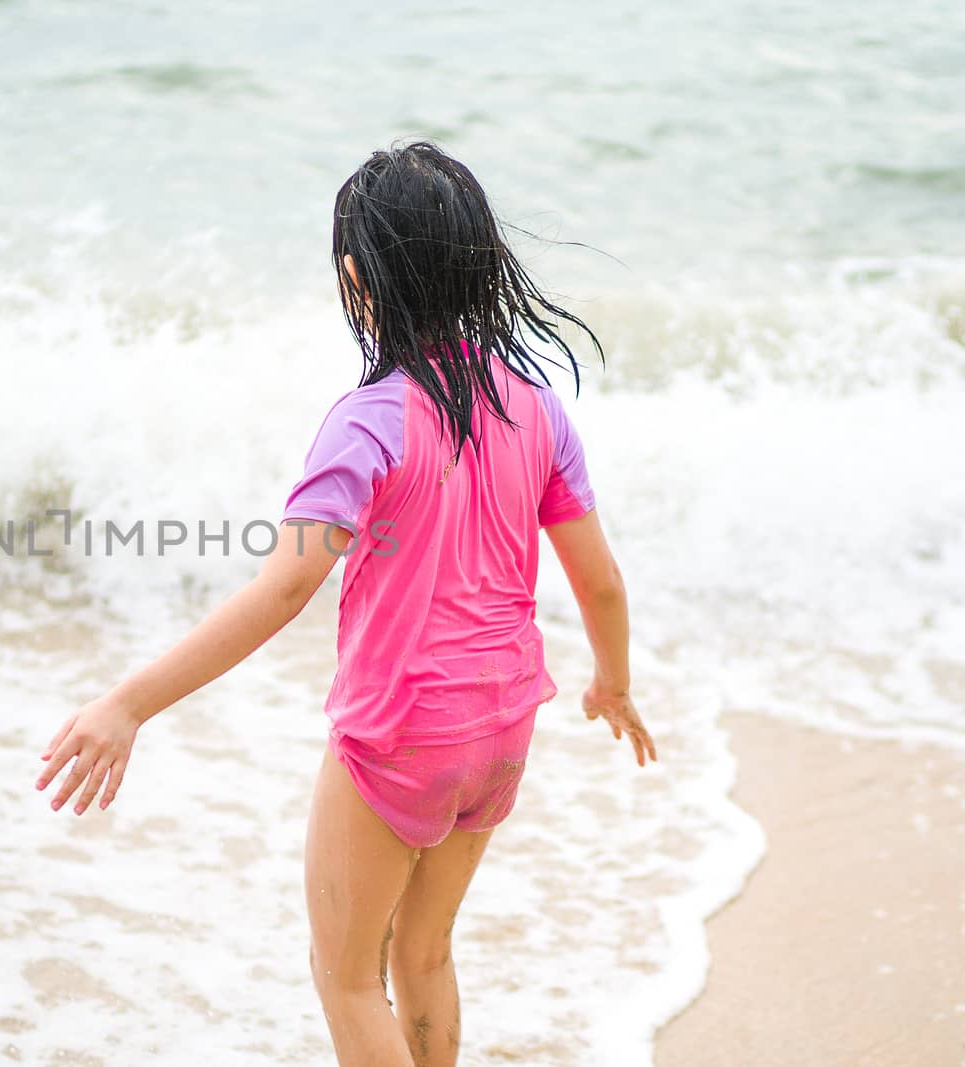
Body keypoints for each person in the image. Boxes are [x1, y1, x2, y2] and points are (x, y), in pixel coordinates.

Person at [34, 140, 656, 1067]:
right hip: (501, 730)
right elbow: (600, 579)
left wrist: (129, 703)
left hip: (400, 736)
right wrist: (612, 682)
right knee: (424, 950)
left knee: (347, 976)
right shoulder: (539, 407)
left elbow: (284, 586)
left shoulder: (369, 419)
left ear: (360, 276)